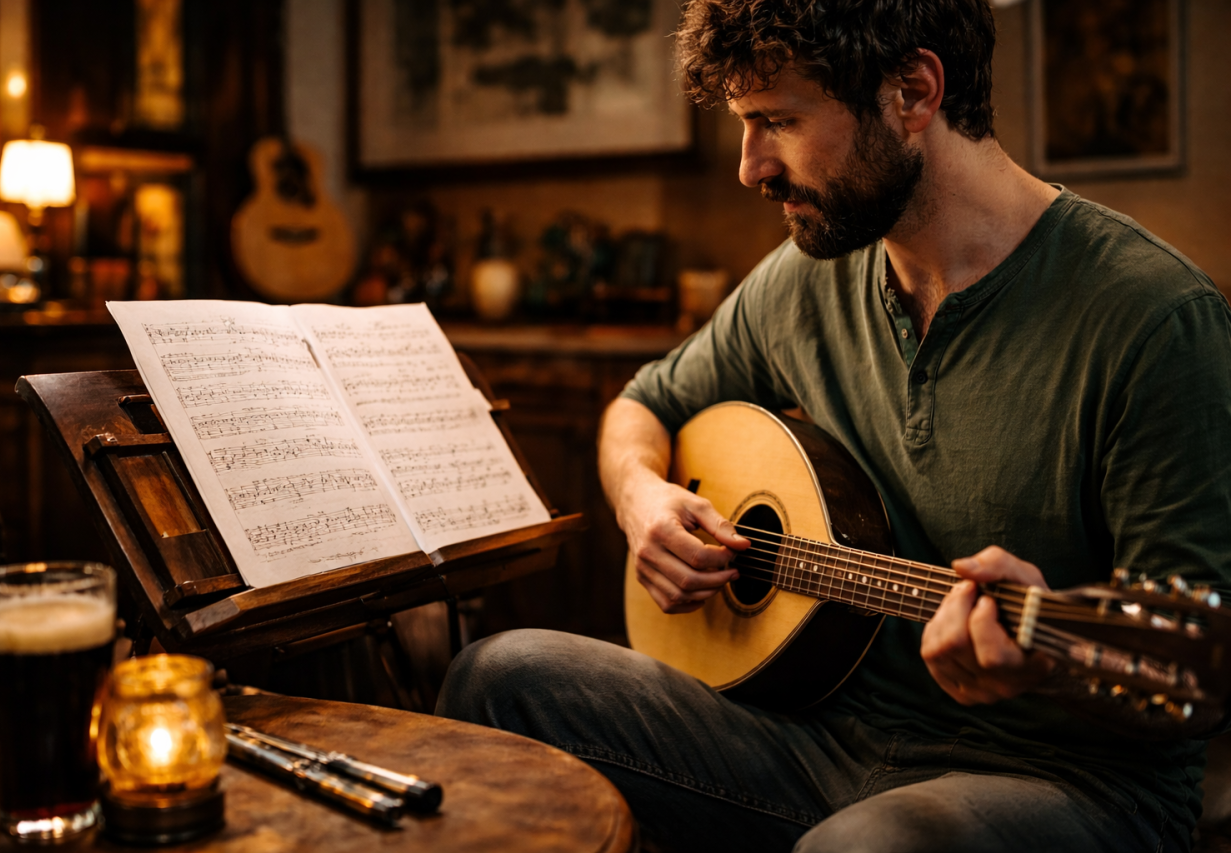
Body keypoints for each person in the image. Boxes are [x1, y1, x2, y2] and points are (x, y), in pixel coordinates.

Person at [436, 1, 1231, 850]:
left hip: (1065, 778)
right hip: (820, 737)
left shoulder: (1155, 320)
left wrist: (1044, 655)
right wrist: (642, 498)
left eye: (776, 120)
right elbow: (643, 404)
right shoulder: (806, 282)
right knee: (500, 675)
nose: (750, 168)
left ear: (913, 93)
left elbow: (1199, 676)